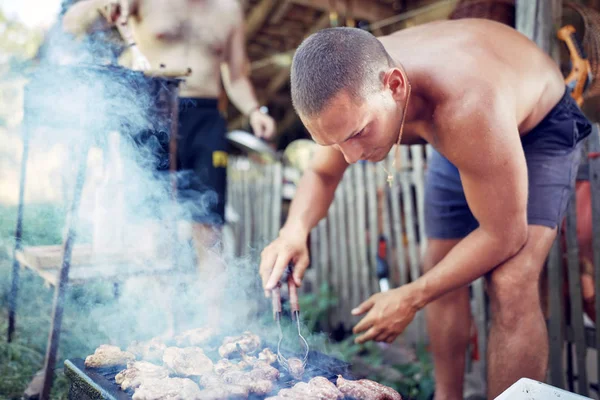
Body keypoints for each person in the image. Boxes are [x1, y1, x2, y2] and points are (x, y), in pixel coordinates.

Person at [258, 19, 592, 399]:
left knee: (510, 281)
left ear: (395, 85)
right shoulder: (348, 80)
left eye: (357, 135)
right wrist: (293, 231)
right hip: (466, 131)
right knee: (439, 263)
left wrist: (412, 296)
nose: (350, 158)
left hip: (538, 125)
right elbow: (320, 174)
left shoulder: (466, 107)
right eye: (335, 143)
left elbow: (505, 235)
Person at [62, 0, 276, 278]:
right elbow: (72, 24)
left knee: (209, 228)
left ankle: (215, 319)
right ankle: (161, 318)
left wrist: (255, 111)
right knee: (153, 227)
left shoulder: (229, 9)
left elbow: (236, 75)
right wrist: (99, 6)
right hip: (151, 110)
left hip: (205, 119)